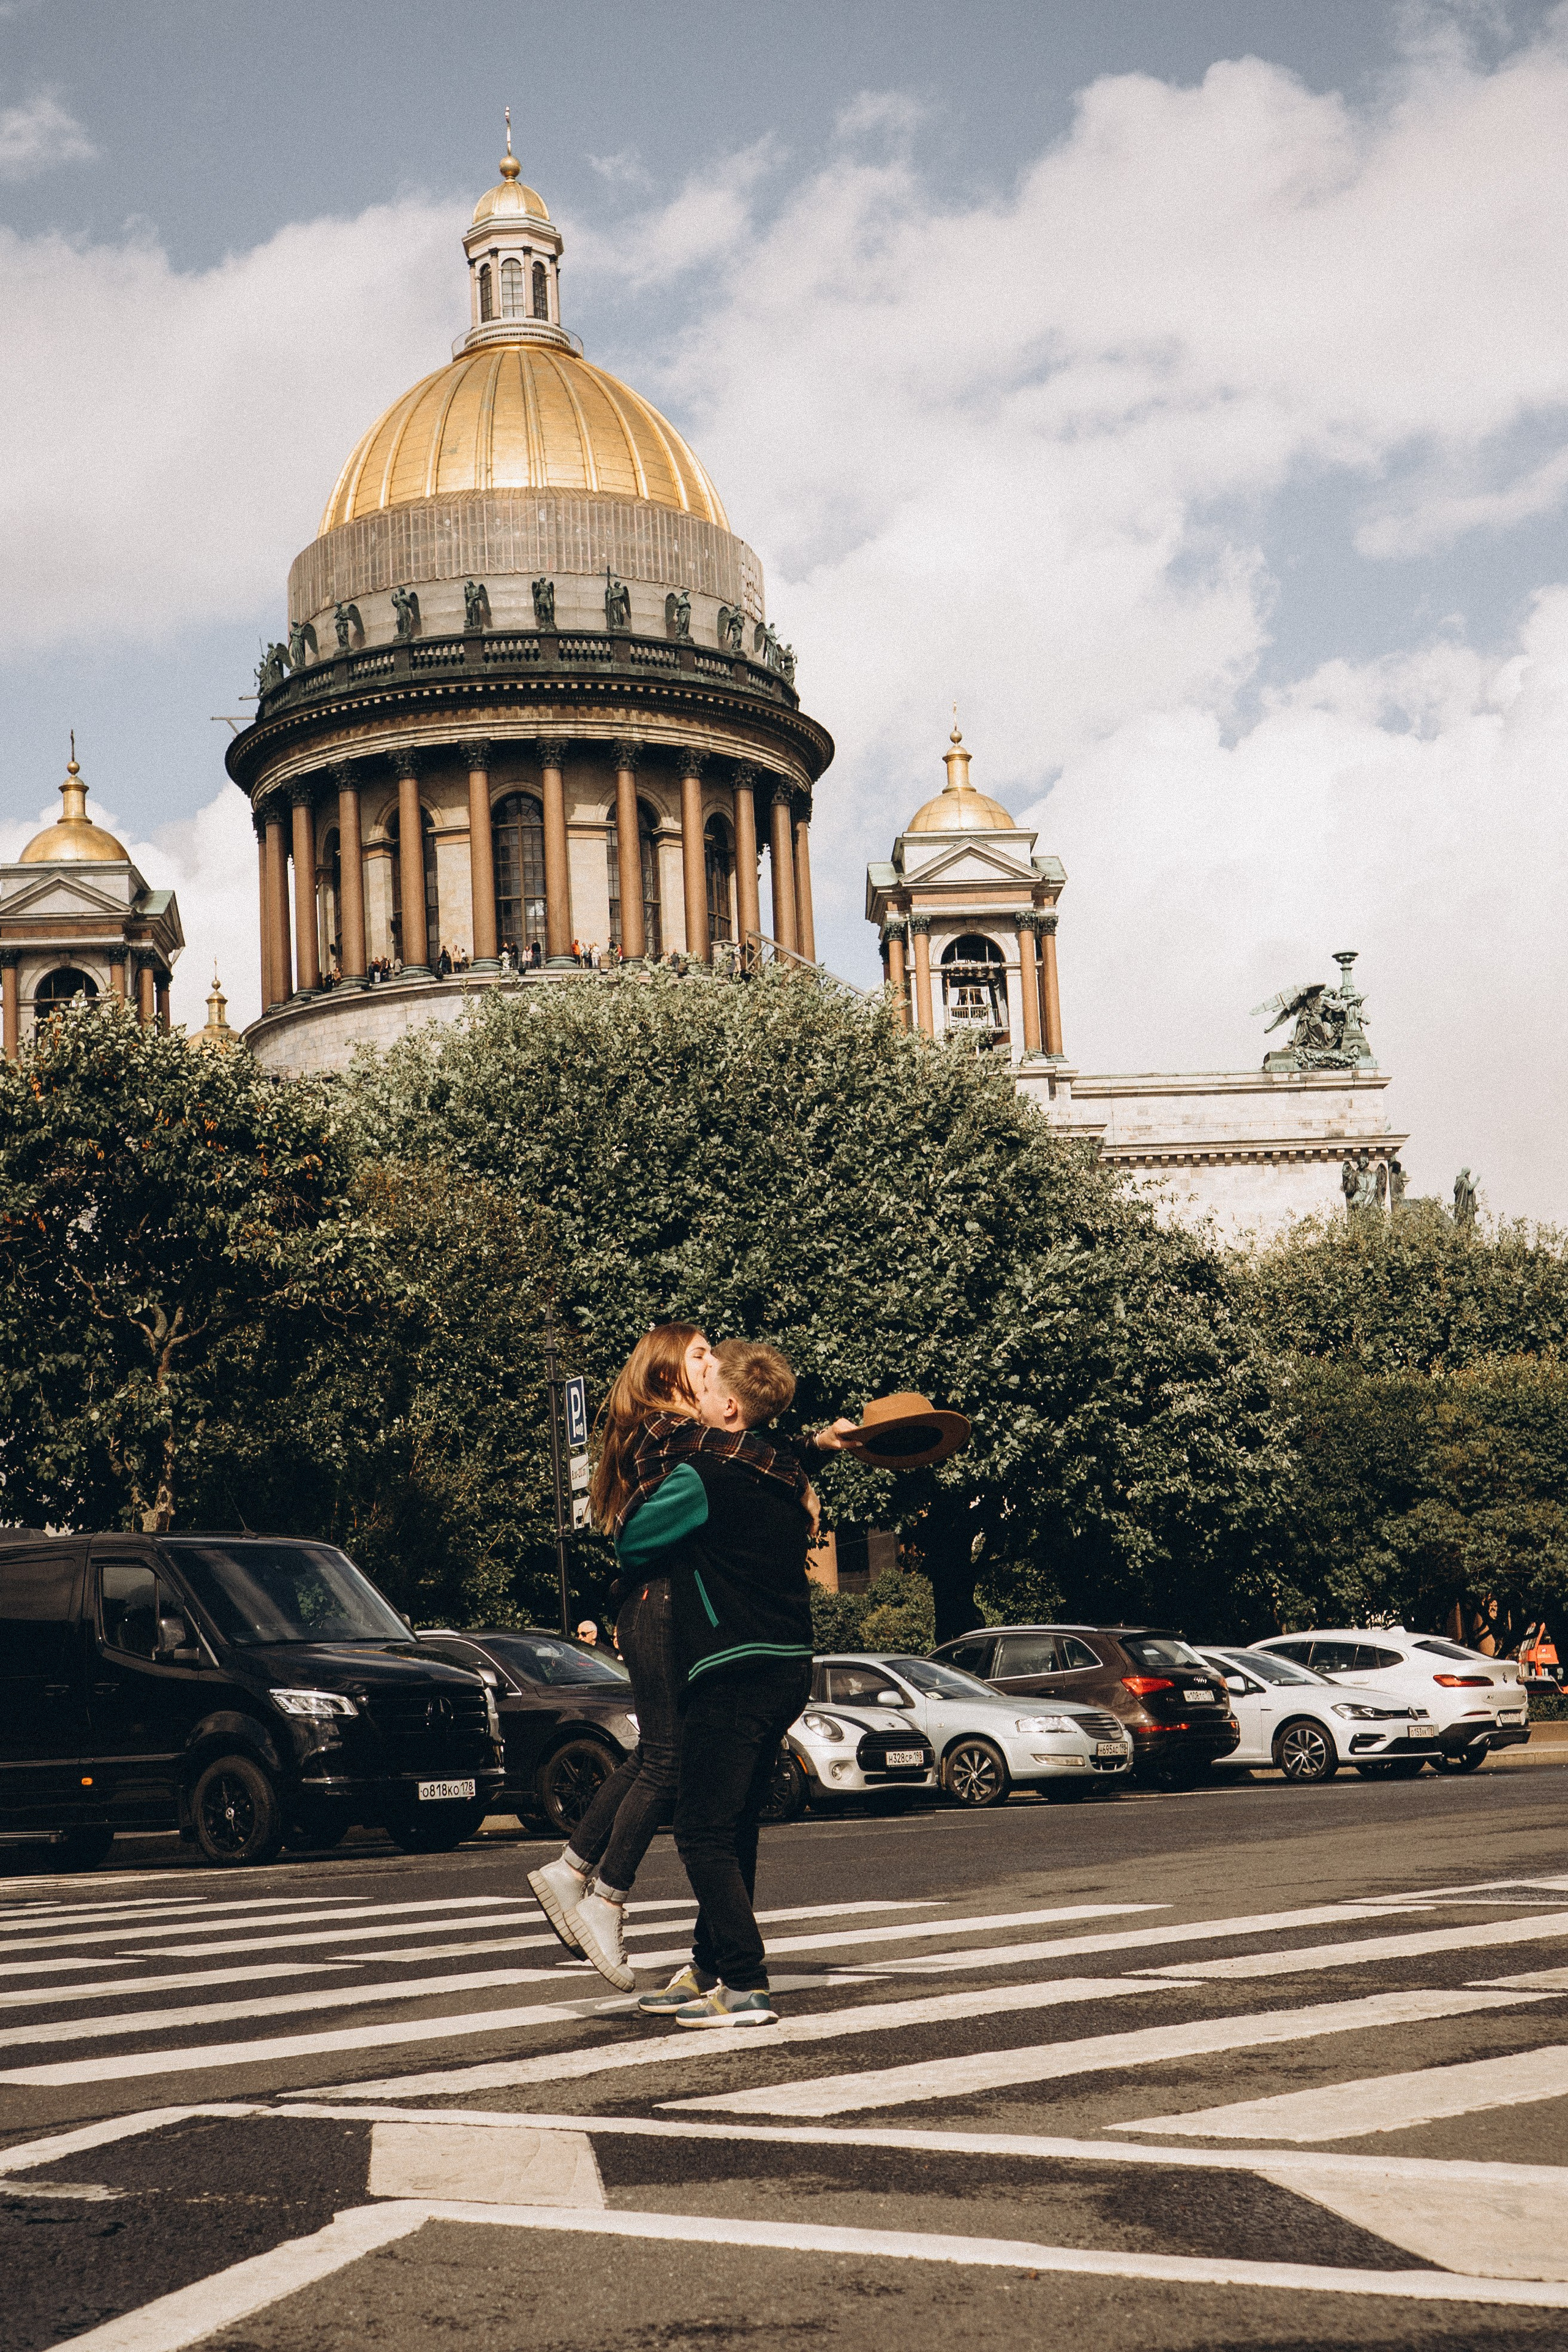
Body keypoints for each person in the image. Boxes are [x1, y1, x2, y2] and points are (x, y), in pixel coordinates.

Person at [619, 1338, 823, 2027]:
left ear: (729, 1407)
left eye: (705, 1392)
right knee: (735, 1826)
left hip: (730, 1667)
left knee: (702, 1830)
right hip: (789, 1665)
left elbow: (631, 1540)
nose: (695, 1402)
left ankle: (744, 1982)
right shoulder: (786, 1477)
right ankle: (709, 1968)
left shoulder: (702, 1475)